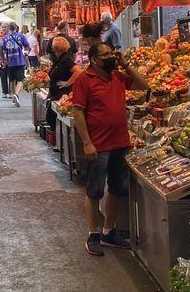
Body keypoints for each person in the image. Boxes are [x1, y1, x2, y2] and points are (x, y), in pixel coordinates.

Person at [70, 39, 149, 257]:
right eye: (105, 55)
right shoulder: (84, 79)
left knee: (117, 189)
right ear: (94, 60)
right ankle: (93, 234)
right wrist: (87, 142)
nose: (110, 58)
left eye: (111, 53)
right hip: (98, 144)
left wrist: (125, 63)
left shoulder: (117, 76)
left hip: (120, 142)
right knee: (94, 190)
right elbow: (78, 112)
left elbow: (144, 85)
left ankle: (109, 231)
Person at [45, 36, 76, 141]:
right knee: (51, 117)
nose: (52, 49)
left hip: (62, 94)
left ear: (57, 48)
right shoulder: (59, 59)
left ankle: (61, 141)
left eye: (53, 47)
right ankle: (59, 141)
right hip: (56, 93)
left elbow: (79, 71)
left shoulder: (66, 59)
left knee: (51, 117)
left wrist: (68, 83)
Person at [2, 22, 31, 108]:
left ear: (9, 28)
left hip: (10, 61)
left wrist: (5, 60)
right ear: (15, 28)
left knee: (11, 80)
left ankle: (12, 96)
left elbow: (4, 51)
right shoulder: (21, 36)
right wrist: (25, 52)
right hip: (19, 61)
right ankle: (16, 94)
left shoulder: (6, 38)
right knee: (20, 79)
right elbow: (27, 46)